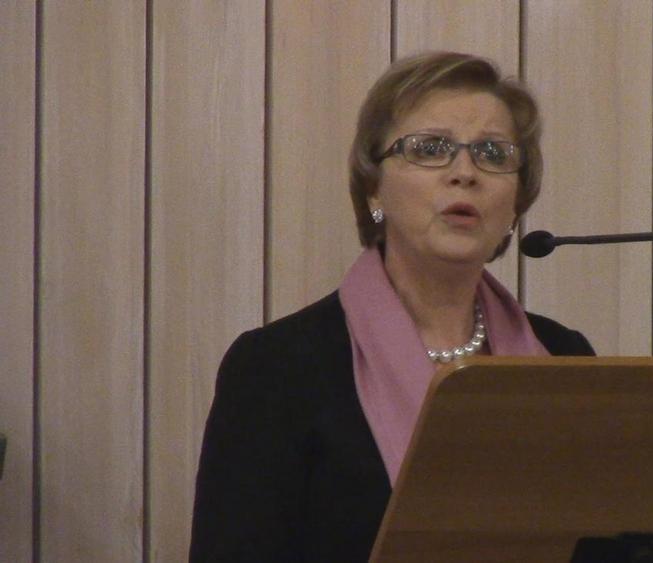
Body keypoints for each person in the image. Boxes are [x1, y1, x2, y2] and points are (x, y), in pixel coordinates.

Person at [189, 51, 594, 562]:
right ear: (373, 188)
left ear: (516, 203)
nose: (465, 172)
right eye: (430, 149)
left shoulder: (564, 356)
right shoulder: (278, 367)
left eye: (493, 154)